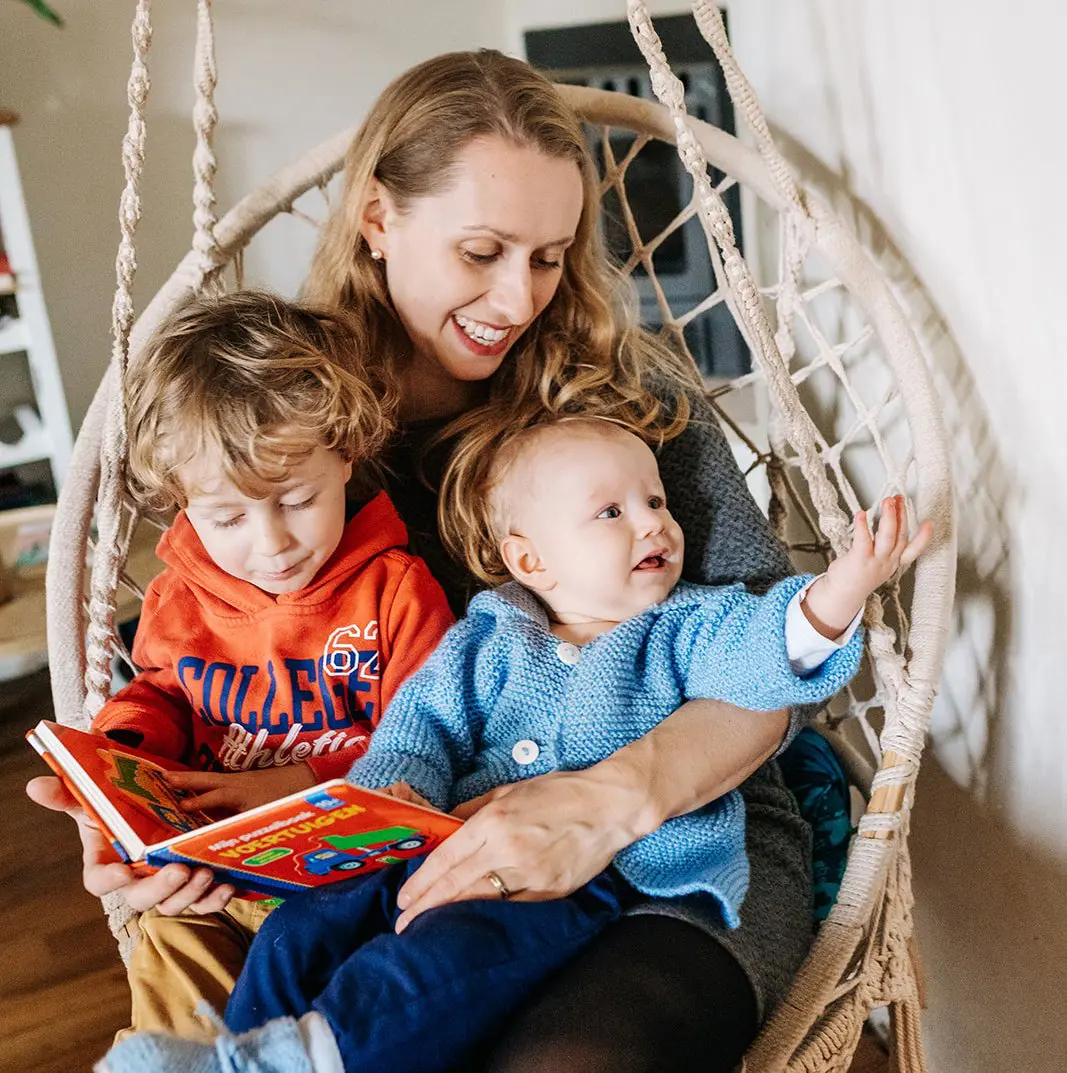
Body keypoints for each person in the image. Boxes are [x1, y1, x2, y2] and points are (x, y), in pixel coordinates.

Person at [37, 50, 930, 1072]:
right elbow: (231, 667)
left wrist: (606, 802)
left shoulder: (626, 408)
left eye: (548, 257)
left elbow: (765, 666)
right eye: (481, 251)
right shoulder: (288, 432)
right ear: (377, 218)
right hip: (403, 846)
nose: (517, 297)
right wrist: (158, 820)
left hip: (675, 840)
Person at [95, 415, 929, 1073]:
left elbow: (766, 654)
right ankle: (241, 1051)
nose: (653, 523)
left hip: (593, 873)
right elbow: (422, 727)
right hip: (437, 846)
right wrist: (391, 802)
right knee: (299, 929)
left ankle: (305, 1056)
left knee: (449, 954)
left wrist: (837, 592)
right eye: (612, 512)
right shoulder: (486, 635)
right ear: (528, 557)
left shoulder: (686, 627)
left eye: (656, 503)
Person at [33, 290, 454, 1043]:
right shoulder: (181, 595)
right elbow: (161, 692)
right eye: (227, 517)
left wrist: (294, 783)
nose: (272, 544)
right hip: (215, 875)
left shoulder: (395, 590)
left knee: (367, 983)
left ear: (344, 453)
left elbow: (430, 742)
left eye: (298, 499)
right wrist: (121, 759)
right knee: (171, 946)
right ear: (180, 502)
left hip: (343, 882)